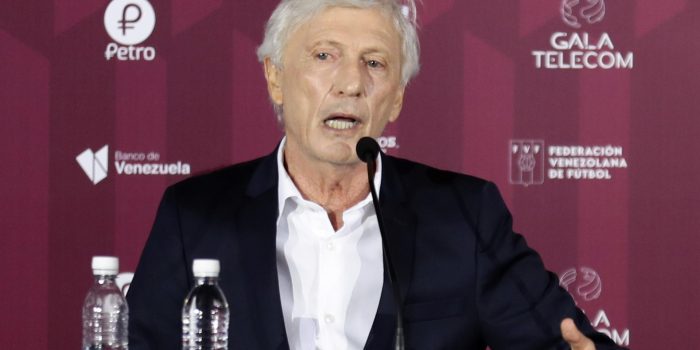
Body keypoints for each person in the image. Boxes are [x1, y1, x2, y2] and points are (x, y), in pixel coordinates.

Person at [127, 0, 625, 349]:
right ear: (275, 78)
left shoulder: (463, 217)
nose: (350, 83)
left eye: (375, 63)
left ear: (398, 97)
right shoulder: (193, 217)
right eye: (324, 56)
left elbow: (570, 344)